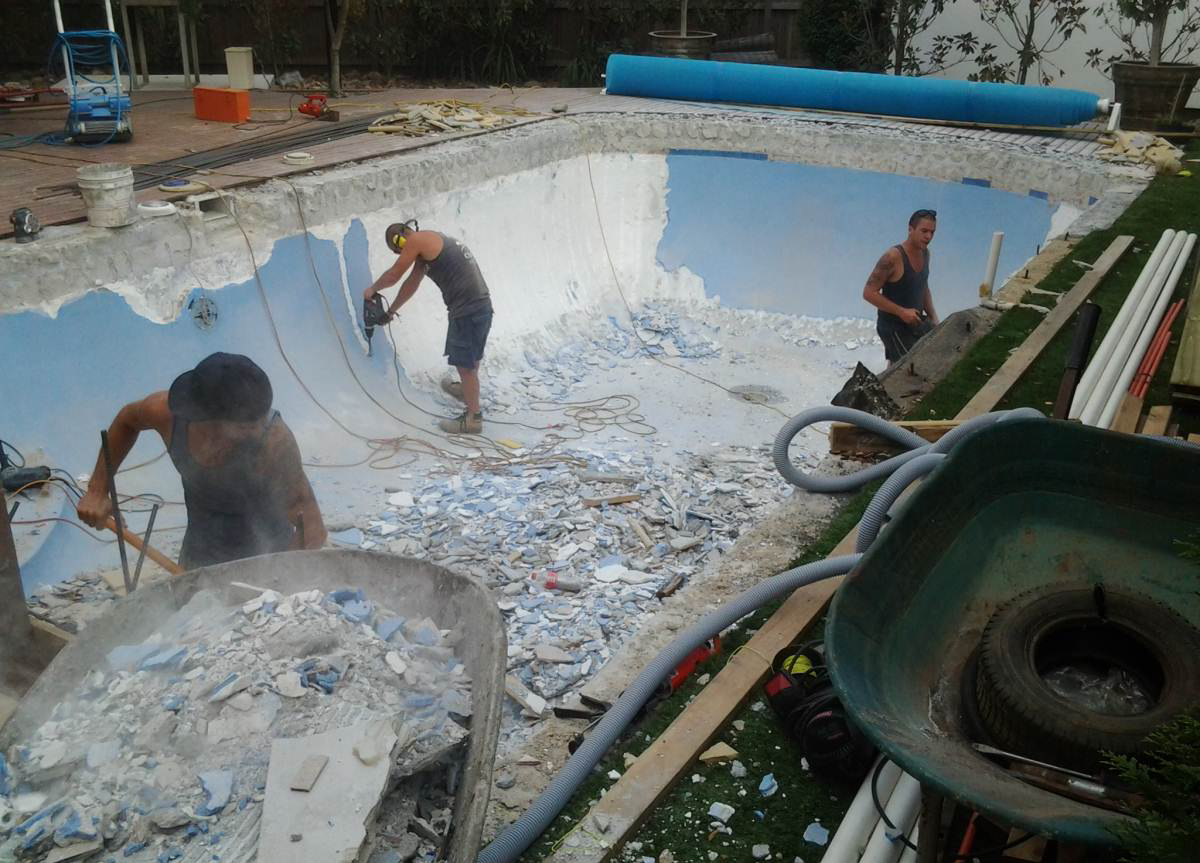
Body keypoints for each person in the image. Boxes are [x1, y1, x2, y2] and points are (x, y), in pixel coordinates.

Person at [77, 352, 327, 570]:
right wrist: (97, 491)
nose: (259, 428)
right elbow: (126, 421)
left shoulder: (274, 441)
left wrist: (278, 581)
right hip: (200, 553)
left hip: (268, 554)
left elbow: (312, 530)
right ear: (209, 419)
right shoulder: (166, 415)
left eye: (261, 419)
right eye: (247, 425)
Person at [363, 220, 493, 435]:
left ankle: (473, 419)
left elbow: (395, 275)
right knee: (471, 358)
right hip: (481, 305)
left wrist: (372, 289)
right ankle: (468, 391)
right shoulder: (430, 243)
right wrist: (391, 311)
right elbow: (410, 284)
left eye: (398, 251)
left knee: (465, 366)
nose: (402, 254)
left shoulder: (415, 240)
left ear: (400, 240)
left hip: (467, 310)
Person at [863, 209, 940, 364]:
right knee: (908, 366)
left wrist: (933, 316)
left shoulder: (926, 254)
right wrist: (901, 312)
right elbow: (868, 293)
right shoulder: (892, 257)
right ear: (910, 229)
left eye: (932, 232)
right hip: (893, 326)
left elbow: (923, 285)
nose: (928, 237)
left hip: (916, 322)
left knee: (935, 353)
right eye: (924, 231)